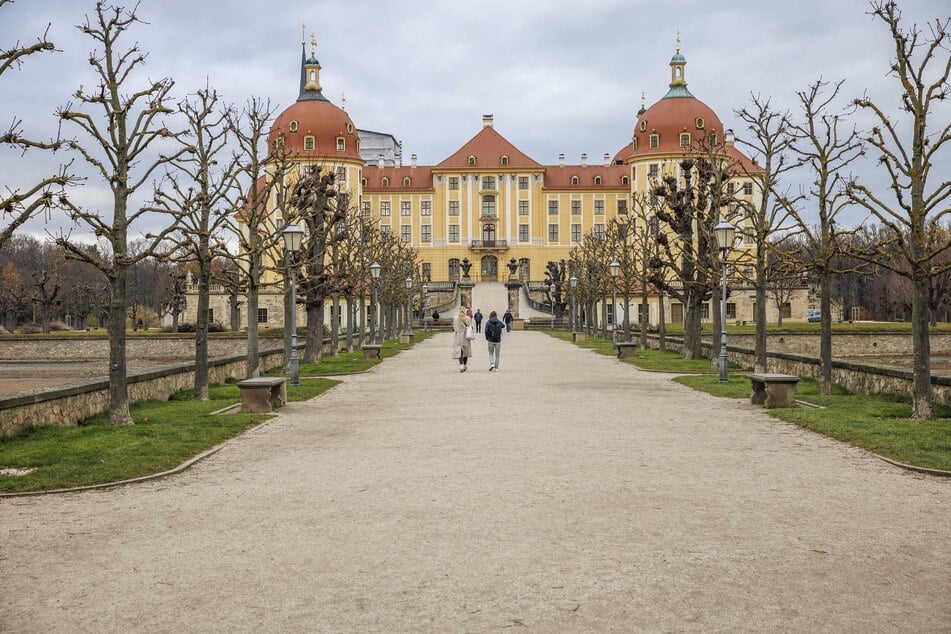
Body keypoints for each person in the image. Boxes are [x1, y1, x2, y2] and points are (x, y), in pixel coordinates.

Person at [451, 306, 472, 372]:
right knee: (466, 350)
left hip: (458, 335)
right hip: (465, 335)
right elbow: (469, 325)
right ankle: (465, 364)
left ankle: (461, 365)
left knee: (459, 350)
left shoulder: (455, 318)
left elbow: (454, 327)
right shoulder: (467, 318)